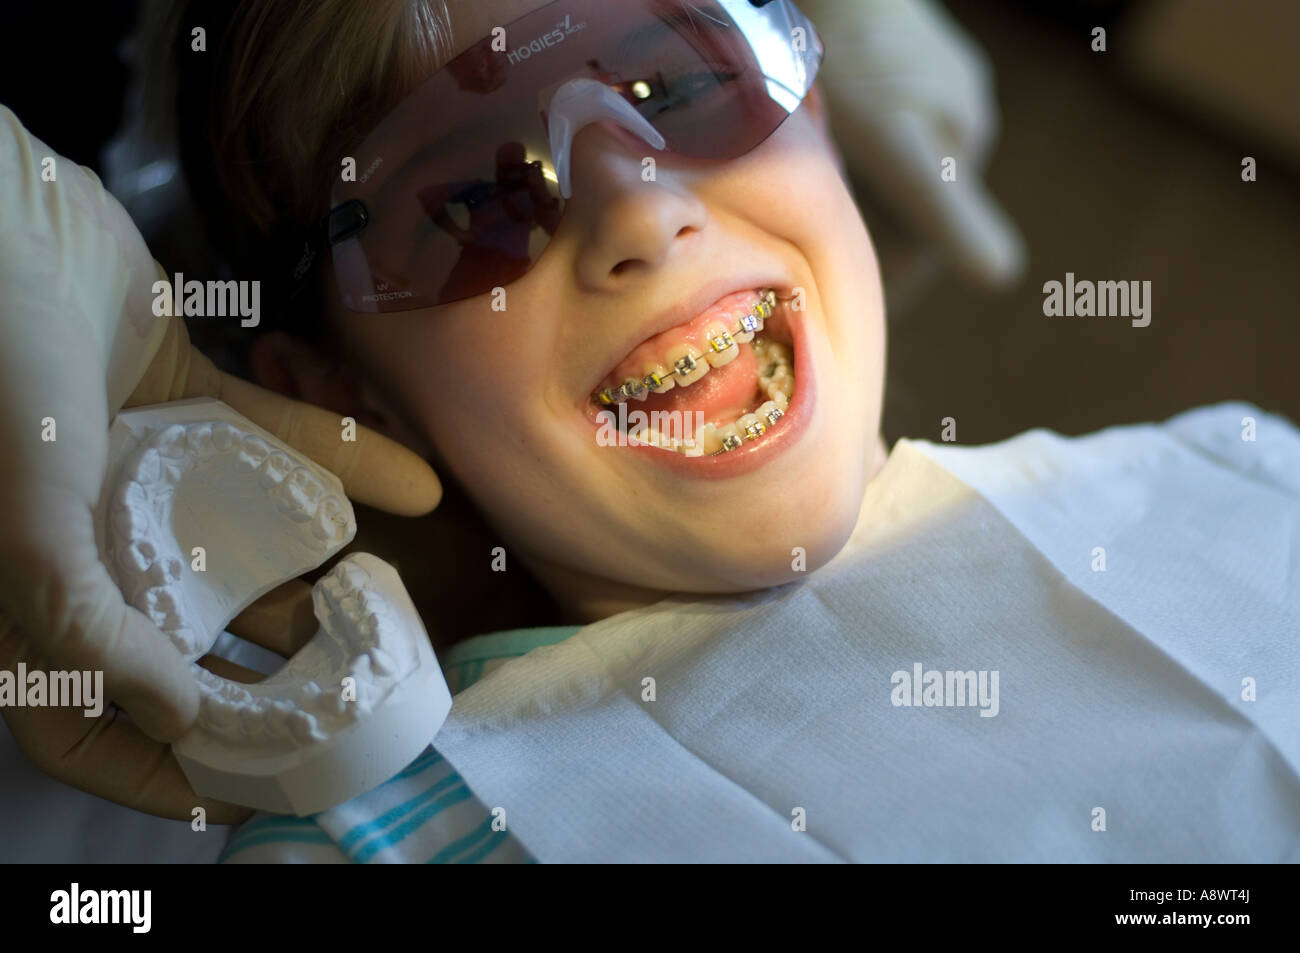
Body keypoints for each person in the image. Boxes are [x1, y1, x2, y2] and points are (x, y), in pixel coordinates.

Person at [24, 0, 1259, 864]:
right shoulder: (357, 840)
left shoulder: (1234, 489)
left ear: (820, 108)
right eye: (472, 197)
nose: (638, 205)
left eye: (685, 85)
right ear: (347, 394)